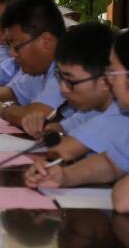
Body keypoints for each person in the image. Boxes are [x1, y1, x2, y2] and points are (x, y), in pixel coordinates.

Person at [24, 29, 129, 213]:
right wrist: (64, 176)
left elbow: (123, 200)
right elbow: (112, 163)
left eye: (112, 72)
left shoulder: (120, 115)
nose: (108, 79)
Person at [22, 23, 129, 161]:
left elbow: (62, 151)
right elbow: (58, 128)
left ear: (106, 78)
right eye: (60, 77)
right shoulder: (91, 111)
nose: (63, 89)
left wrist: (54, 139)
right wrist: (43, 128)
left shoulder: (119, 115)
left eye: (70, 81)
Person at [0, 0, 68, 129]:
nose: (12, 54)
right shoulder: (40, 68)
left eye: (16, 47)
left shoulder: (67, 68)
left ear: (46, 41)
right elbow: (15, 95)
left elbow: (34, 118)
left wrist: (7, 109)